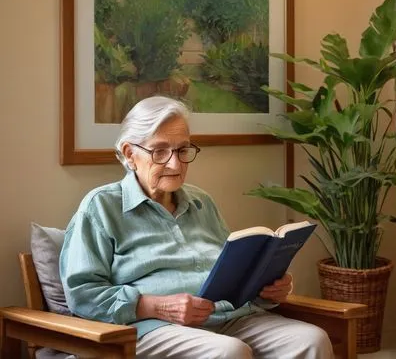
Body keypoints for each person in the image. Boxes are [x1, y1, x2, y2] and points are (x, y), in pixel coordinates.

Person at [60, 95, 334, 359]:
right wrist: (157, 306)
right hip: (154, 327)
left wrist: (266, 290)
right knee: (228, 352)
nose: (175, 163)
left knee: (311, 339)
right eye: (160, 151)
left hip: (229, 317)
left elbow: (231, 277)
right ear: (130, 154)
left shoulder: (202, 201)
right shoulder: (102, 207)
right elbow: (83, 294)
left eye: (182, 150)